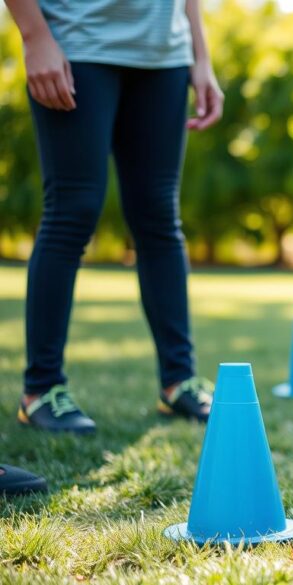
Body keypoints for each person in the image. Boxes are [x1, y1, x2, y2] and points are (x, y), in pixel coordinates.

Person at [4, 0, 224, 433]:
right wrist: (35, 37)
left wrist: (201, 57)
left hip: (164, 56)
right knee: (73, 211)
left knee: (160, 217)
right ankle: (41, 389)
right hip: (77, 45)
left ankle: (179, 381)